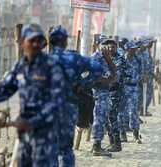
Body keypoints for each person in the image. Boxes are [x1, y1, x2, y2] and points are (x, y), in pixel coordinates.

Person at [0, 24, 66, 167]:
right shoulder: (20, 66)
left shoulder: (52, 66)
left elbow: (57, 103)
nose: (35, 44)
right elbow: (3, 92)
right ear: (22, 42)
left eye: (39, 41)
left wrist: (31, 122)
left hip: (45, 134)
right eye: (32, 40)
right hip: (24, 135)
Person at [49, 25, 104, 167]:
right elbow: (98, 69)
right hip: (69, 106)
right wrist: (84, 84)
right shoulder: (74, 58)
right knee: (66, 148)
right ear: (66, 41)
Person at [91, 35, 117, 157]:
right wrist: (105, 80)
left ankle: (98, 145)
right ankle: (96, 146)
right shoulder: (95, 58)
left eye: (109, 44)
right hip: (99, 92)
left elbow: (114, 74)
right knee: (99, 119)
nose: (108, 46)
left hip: (105, 92)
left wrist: (108, 58)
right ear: (98, 45)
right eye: (105, 44)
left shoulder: (106, 58)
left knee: (102, 118)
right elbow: (93, 77)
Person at [105, 39, 126, 152]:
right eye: (108, 47)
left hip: (115, 91)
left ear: (116, 48)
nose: (110, 49)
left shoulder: (120, 59)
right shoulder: (106, 59)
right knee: (106, 117)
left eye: (112, 47)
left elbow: (115, 75)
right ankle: (112, 142)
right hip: (106, 91)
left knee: (112, 116)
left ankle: (117, 143)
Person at [123, 41, 142, 144]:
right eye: (132, 49)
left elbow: (140, 72)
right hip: (124, 88)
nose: (134, 50)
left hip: (134, 88)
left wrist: (140, 78)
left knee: (134, 111)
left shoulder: (137, 59)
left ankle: (136, 134)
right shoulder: (122, 60)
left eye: (135, 49)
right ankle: (123, 134)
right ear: (127, 49)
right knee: (122, 112)